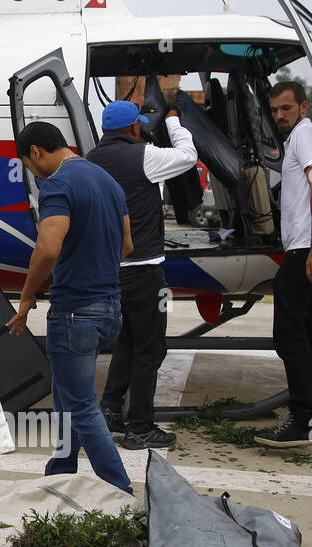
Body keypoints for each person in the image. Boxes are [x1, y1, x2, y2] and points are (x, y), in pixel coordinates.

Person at [7, 121, 134, 494]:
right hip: (110, 307)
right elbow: (127, 246)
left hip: (76, 310)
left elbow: (48, 247)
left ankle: (120, 489)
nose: (33, 173)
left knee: (80, 405)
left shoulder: (58, 183)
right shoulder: (107, 180)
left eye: (30, 167)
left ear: (35, 153)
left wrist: (27, 297)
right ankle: (60, 470)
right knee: (65, 394)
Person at [86, 96, 197, 450]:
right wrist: (175, 123)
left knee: (128, 343)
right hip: (145, 271)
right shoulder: (144, 155)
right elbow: (188, 156)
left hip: (108, 272)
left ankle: (111, 410)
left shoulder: (91, 161)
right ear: (134, 127)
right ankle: (141, 426)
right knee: (151, 348)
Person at [255, 80, 312, 448]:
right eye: (275, 110)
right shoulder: (304, 135)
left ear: (303, 107)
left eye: (286, 109)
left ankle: (304, 420)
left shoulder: (307, 135)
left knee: (289, 335)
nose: (279, 116)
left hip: (309, 246)